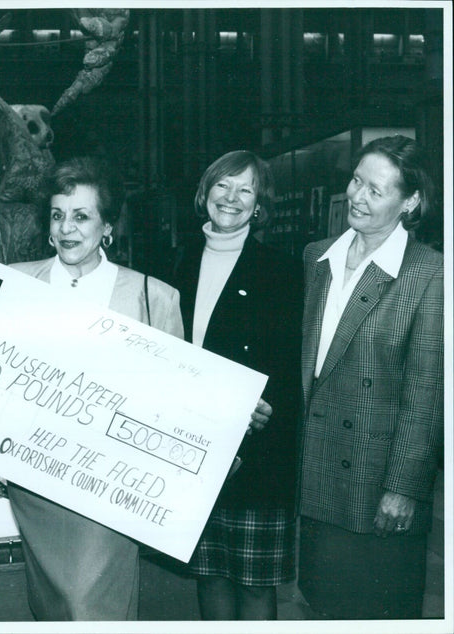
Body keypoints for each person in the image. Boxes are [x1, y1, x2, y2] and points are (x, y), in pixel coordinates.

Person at [5, 156, 184, 620]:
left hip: (109, 489)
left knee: (90, 607)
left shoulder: (154, 297)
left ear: (108, 226)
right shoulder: (19, 282)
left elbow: (178, 404)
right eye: (58, 214)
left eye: (81, 216)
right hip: (36, 485)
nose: (67, 228)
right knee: (52, 610)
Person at [297, 135, 443, 619]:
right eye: (356, 180)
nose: (357, 196)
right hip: (317, 477)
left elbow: (426, 395)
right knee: (322, 607)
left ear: (411, 202)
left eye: (375, 190)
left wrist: (404, 487)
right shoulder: (317, 258)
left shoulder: (430, 275)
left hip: (376, 484)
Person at [171, 150, 302, 619]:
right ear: (204, 194)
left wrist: (269, 408)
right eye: (223, 185)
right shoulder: (175, 264)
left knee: (252, 585)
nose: (232, 198)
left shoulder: (282, 270)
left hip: (255, 451)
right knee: (209, 576)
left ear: (259, 205)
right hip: (190, 446)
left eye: (245, 189)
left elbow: (290, 367)